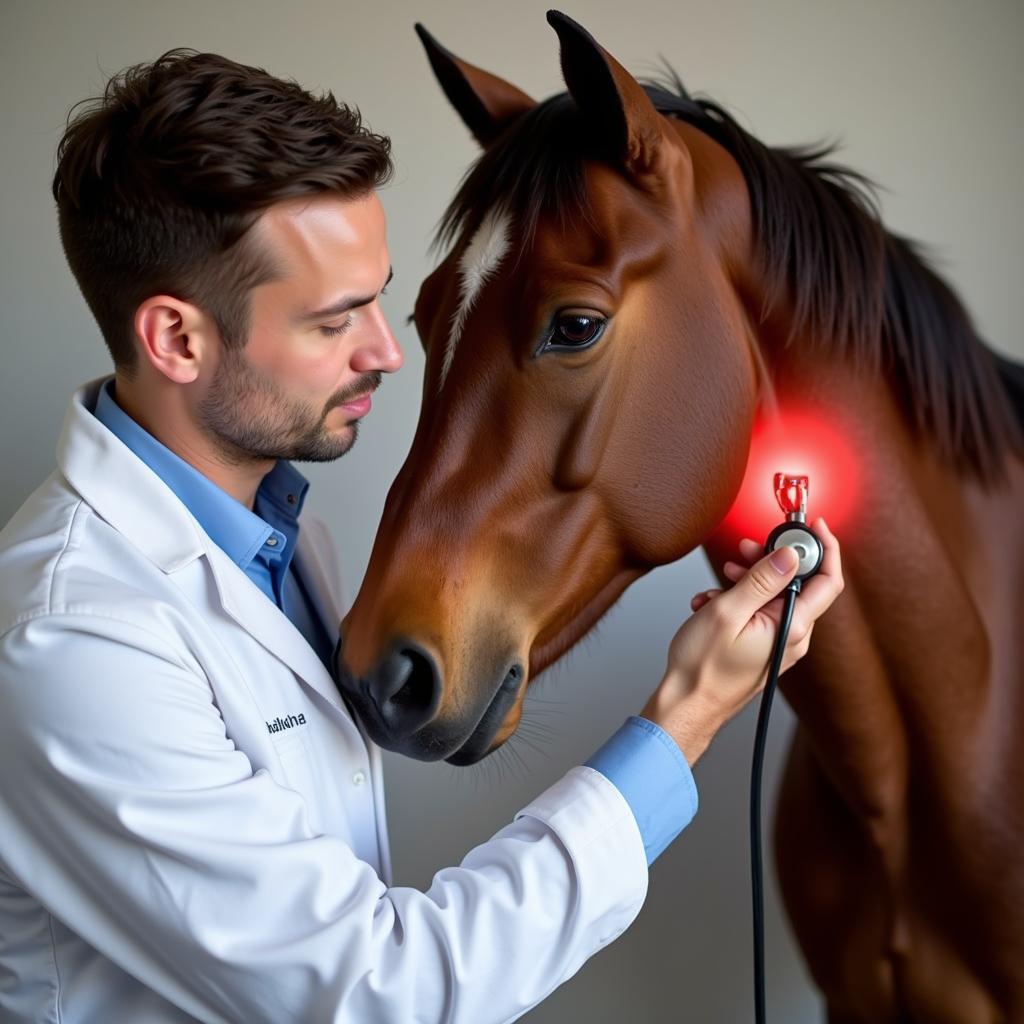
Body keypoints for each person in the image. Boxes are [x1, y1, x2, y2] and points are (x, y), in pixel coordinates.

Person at [0, 49, 844, 1023]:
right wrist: (685, 715)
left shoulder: (277, 544)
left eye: (380, 295)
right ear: (178, 340)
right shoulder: (74, 643)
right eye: (333, 320)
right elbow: (384, 992)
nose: (388, 349)